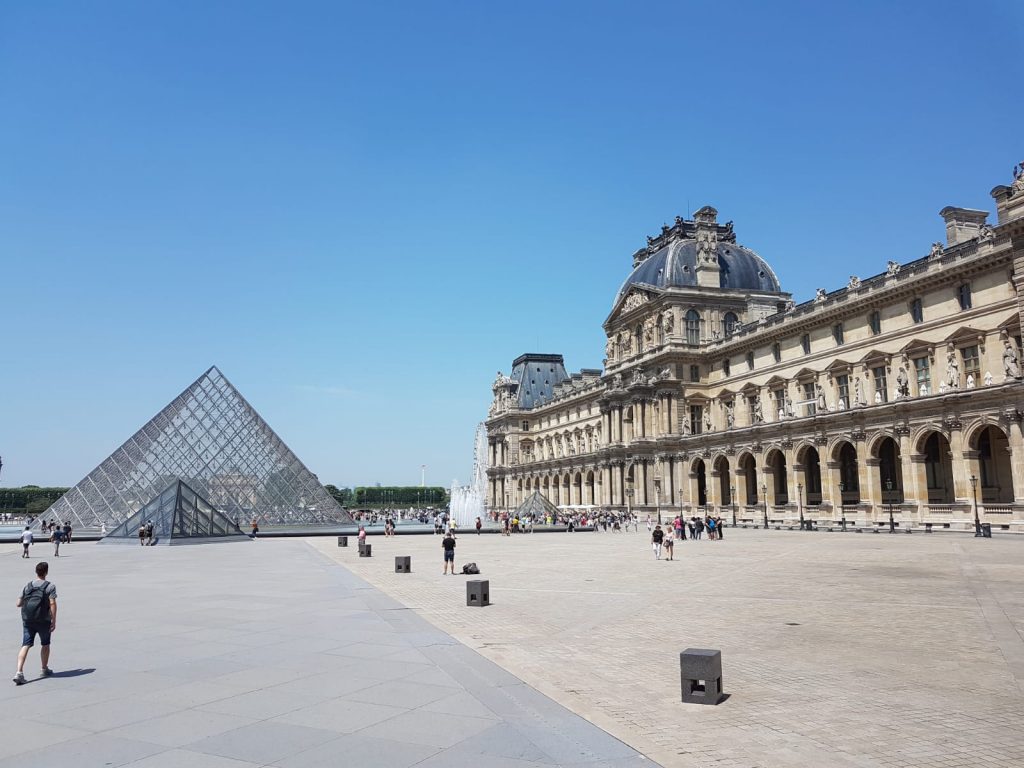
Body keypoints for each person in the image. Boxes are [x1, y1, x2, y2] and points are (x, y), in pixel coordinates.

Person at [14, 561, 57, 685]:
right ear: (46, 572)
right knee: (45, 644)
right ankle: (44, 669)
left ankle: (19, 672)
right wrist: (53, 620)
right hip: (43, 620)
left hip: (28, 620)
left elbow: (18, 603)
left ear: (36, 572)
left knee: (26, 644)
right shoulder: (50, 586)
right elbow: (52, 603)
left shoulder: (28, 586)